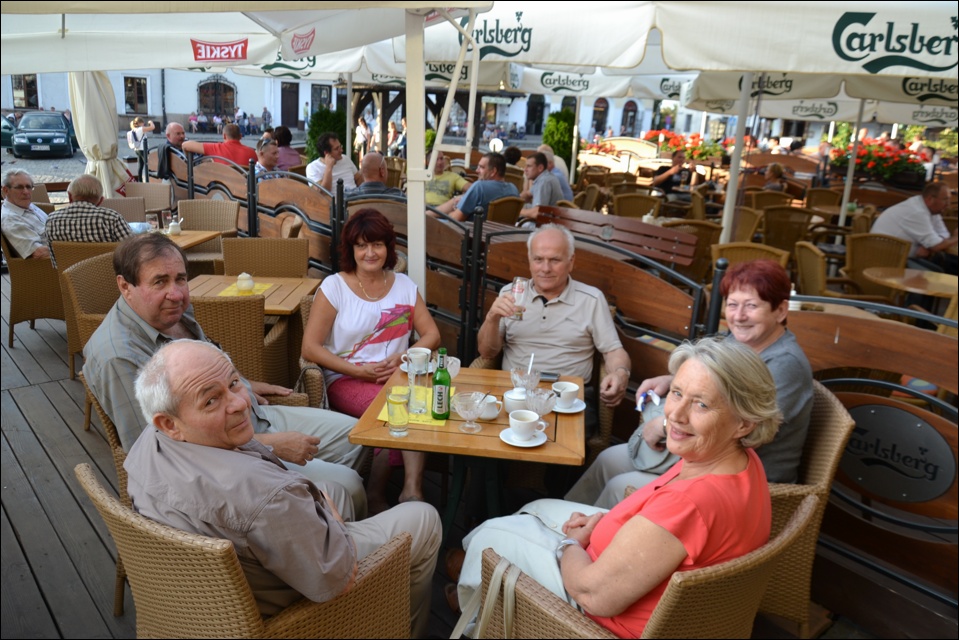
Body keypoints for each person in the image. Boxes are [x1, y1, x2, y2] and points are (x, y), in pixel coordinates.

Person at [451, 336, 780, 638]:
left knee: (489, 535)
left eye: (701, 404)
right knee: (535, 509)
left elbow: (592, 595)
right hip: (634, 577)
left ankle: (477, 615)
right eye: (677, 393)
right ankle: (479, 595)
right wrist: (607, 528)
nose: (676, 415)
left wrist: (570, 544)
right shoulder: (739, 461)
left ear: (744, 423)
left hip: (596, 620)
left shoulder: (691, 505)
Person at [126, 340, 441, 638]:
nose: (240, 403)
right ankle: (397, 627)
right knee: (423, 517)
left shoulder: (146, 446)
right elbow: (337, 580)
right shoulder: (266, 495)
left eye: (234, 383)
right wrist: (334, 523)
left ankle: (367, 583)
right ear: (170, 423)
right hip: (287, 611)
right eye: (211, 400)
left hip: (207, 599)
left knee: (338, 491)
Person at [82, 233, 367, 518]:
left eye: (180, 279)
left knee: (359, 436)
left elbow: (205, 362)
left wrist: (242, 384)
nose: (177, 293)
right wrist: (271, 446)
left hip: (252, 416)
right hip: (224, 460)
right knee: (348, 485)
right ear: (125, 286)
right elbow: (160, 455)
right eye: (159, 282)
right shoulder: (119, 358)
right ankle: (332, 528)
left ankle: (331, 517)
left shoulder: (172, 311)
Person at [566, 259, 813, 507]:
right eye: (732, 304)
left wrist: (664, 425)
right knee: (608, 460)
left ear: (781, 310)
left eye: (751, 306)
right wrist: (671, 381)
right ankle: (560, 522)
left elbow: (745, 433)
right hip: (699, 453)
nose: (738, 316)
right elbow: (712, 381)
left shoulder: (785, 364)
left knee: (620, 487)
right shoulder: (737, 342)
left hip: (740, 479)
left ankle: (593, 531)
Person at [302, 209, 440, 514]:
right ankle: (376, 494)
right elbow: (310, 348)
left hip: (397, 377)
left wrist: (404, 356)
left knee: (416, 402)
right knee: (395, 407)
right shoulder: (335, 287)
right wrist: (358, 371)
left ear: (388, 248)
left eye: (377, 244)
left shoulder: (404, 285)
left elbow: (432, 334)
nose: (370, 253)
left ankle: (411, 489)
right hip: (347, 378)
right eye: (362, 245)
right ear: (351, 249)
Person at [477, 224, 631, 432]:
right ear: (529, 260)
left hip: (566, 396)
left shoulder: (591, 299)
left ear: (571, 262)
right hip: (516, 392)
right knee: (488, 433)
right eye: (538, 259)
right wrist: (492, 318)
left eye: (555, 260)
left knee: (559, 443)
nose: (545, 268)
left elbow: (613, 351)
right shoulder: (511, 294)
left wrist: (621, 373)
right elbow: (487, 352)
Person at [44, 175, 132, 267]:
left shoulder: (51, 220)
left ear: (70, 196)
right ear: (100, 200)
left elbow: (55, 262)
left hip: (67, 275)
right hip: (107, 274)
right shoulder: (112, 218)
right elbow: (131, 252)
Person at [871, 182, 957, 275]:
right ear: (930, 199)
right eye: (945, 200)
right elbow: (937, 245)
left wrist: (928, 246)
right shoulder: (917, 211)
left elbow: (944, 234)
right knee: (937, 273)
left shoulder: (932, 210)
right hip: (886, 260)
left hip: (903, 257)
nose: (948, 204)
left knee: (949, 265)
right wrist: (955, 238)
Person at [434, 152, 519, 222]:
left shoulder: (479, 187)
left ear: (493, 171)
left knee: (433, 221)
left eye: (481, 167)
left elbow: (456, 219)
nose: (477, 170)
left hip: (472, 234)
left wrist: (453, 211)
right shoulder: (514, 189)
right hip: (502, 235)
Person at [1, 169, 50, 259]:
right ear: (6, 190)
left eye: (29, 187)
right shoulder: (10, 219)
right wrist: (70, 248)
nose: (26, 192)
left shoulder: (25, 205)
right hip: (53, 263)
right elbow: (38, 253)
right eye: (19, 187)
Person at [182, 123, 257, 168]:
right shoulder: (252, 152)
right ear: (240, 136)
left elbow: (185, 145)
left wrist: (189, 160)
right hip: (244, 187)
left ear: (224, 136)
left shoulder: (216, 148)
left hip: (221, 187)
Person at [518, 152, 563, 221]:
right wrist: (513, 201)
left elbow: (538, 213)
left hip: (547, 224)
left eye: (529, 166)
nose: (525, 169)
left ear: (540, 168)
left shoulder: (544, 182)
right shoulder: (543, 178)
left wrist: (517, 211)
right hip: (549, 221)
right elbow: (528, 194)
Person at [127, 117, 156, 181]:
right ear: (140, 123)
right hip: (143, 149)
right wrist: (150, 122)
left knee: (141, 165)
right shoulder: (140, 129)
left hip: (137, 149)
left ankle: (140, 180)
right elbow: (152, 127)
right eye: (143, 123)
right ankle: (149, 179)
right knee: (148, 164)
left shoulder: (134, 129)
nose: (144, 124)